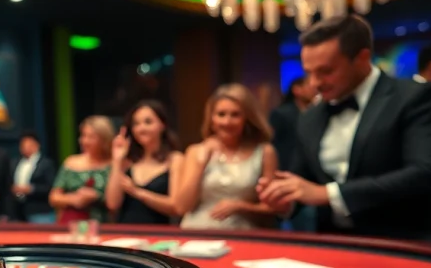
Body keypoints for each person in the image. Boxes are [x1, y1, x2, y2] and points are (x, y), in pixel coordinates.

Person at [258, 14, 431, 243]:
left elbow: (425, 173)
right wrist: (285, 199)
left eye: (326, 71)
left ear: (362, 58)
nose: (314, 83)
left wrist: (329, 194)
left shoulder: (418, 97)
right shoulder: (310, 116)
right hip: (337, 245)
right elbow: (305, 181)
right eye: (309, 73)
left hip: (410, 241)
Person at [176, 84, 281, 230]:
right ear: (211, 118)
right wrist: (201, 163)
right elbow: (181, 207)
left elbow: (274, 209)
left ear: (247, 118)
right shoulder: (195, 151)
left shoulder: (265, 152)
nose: (227, 122)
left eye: (235, 115)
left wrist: (241, 206)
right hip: (197, 232)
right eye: (221, 114)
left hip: (244, 233)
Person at [105, 100, 183, 225]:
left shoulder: (175, 159)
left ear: (162, 125)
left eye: (148, 122)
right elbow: (112, 204)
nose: (141, 129)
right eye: (136, 124)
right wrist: (117, 160)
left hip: (159, 232)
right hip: (125, 231)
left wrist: (136, 192)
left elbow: (176, 206)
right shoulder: (127, 161)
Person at [49, 116, 114, 223]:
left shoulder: (114, 165)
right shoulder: (71, 162)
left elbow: (116, 204)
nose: (85, 141)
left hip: (103, 224)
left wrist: (97, 196)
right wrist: (74, 199)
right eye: (83, 136)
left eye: (91, 137)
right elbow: (53, 197)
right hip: (71, 223)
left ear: (104, 140)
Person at [269, 75, 316, 171]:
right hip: (286, 167)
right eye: (308, 84)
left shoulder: (317, 113)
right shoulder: (281, 114)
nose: (313, 88)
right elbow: (271, 142)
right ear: (296, 90)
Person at [10, 131, 56, 223]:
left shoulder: (46, 164)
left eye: (29, 144)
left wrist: (31, 189)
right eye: (23, 145)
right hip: (18, 211)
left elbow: (51, 187)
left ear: (37, 145)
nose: (25, 147)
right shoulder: (15, 162)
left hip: (40, 211)